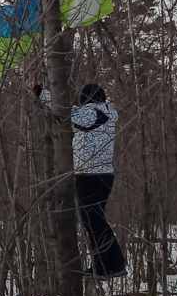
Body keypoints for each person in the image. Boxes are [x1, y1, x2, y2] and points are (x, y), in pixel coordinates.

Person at [32, 79, 126, 278]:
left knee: (93, 222)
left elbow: (67, 114)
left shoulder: (94, 113)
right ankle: (106, 265)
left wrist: (42, 93)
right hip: (100, 175)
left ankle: (113, 265)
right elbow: (73, 115)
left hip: (91, 176)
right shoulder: (104, 114)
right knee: (94, 222)